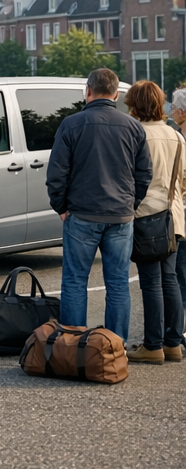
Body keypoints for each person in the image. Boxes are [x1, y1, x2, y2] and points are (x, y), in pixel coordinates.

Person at [46, 67, 152, 342]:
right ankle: (115, 349)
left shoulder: (71, 124)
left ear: (88, 91)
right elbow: (144, 174)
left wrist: (61, 207)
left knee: (74, 282)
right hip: (120, 216)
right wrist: (131, 204)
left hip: (81, 214)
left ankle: (71, 346)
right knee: (118, 285)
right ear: (116, 93)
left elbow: (56, 173)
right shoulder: (133, 127)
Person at [123, 80, 185, 363]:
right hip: (172, 215)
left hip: (145, 215)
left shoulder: (134, 133)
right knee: (170, 279)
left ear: (135, 105)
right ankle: (174, 343)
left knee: (150, 282)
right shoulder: (176, 136)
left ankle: (153, 345)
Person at [168, 86, 186, 327]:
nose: (171, 110)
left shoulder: (181, 137)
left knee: (181, 271)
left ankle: (179, 328)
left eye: (173, 107)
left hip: (182, 209)